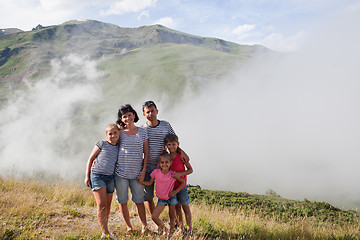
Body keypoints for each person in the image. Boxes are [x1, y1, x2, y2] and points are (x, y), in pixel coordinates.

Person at [141, 100, 188, 215]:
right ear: (144, 114)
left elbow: (174, 140)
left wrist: (182, 152)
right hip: (148, 166)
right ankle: (156, 221)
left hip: (165, 166)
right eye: (148, 112)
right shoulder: (142, 129)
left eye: (152, 111)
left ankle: (175, 222)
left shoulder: (165, 125)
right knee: (148, 196)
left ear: (157, 111)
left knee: (169, 194)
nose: (150, 114)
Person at [114, 104, 149, 235]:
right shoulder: (120, 133)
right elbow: (110, 142)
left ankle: (144, 226)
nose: (127, 118)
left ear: (134, 115)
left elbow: (146, 153)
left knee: (139, 201)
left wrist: (144, 170)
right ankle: (129, 227)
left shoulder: (143, 132)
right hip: (121, 173)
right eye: (124, 116)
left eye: (129, 115)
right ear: (121, 119)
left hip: (137, 174)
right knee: (123, 201)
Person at [84, 123, 119, 239]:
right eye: (110, 134)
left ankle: (105, 229)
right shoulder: (102, 144)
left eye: (115, 133)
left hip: (110, 178)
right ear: (106, 135)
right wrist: (87, 176)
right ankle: (105, 233)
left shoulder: (119, 147)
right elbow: (90, 159)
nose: (113, 135)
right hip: (98, 176)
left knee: (108, 207)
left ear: (118, 134)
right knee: (101, 205)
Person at [139, 152, 185, 236]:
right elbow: (150, 183)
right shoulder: (155, 172)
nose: (164, 164)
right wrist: (142, 182)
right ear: (159, 164)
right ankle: (165, 229)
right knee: (154, 216)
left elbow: (182, 183)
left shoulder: (172, 174)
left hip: (172, 198)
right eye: (162, 162)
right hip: (161, 199)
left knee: (172, 217)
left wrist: (175, 191)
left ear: (171, 163)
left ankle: (170, 233)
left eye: (167, 162)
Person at [165, 133, 193, 234]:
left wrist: (179, 174)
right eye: (169, 145)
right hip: (171, 188)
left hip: (182, 187)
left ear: (178, 144)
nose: (171, 147)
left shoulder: (181, 156)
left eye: (173, 144)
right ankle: (181, 227)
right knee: (177, 207)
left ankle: (189, 229)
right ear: (166, 145)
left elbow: (190, 170)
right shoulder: (166, 157)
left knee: (185, 207)